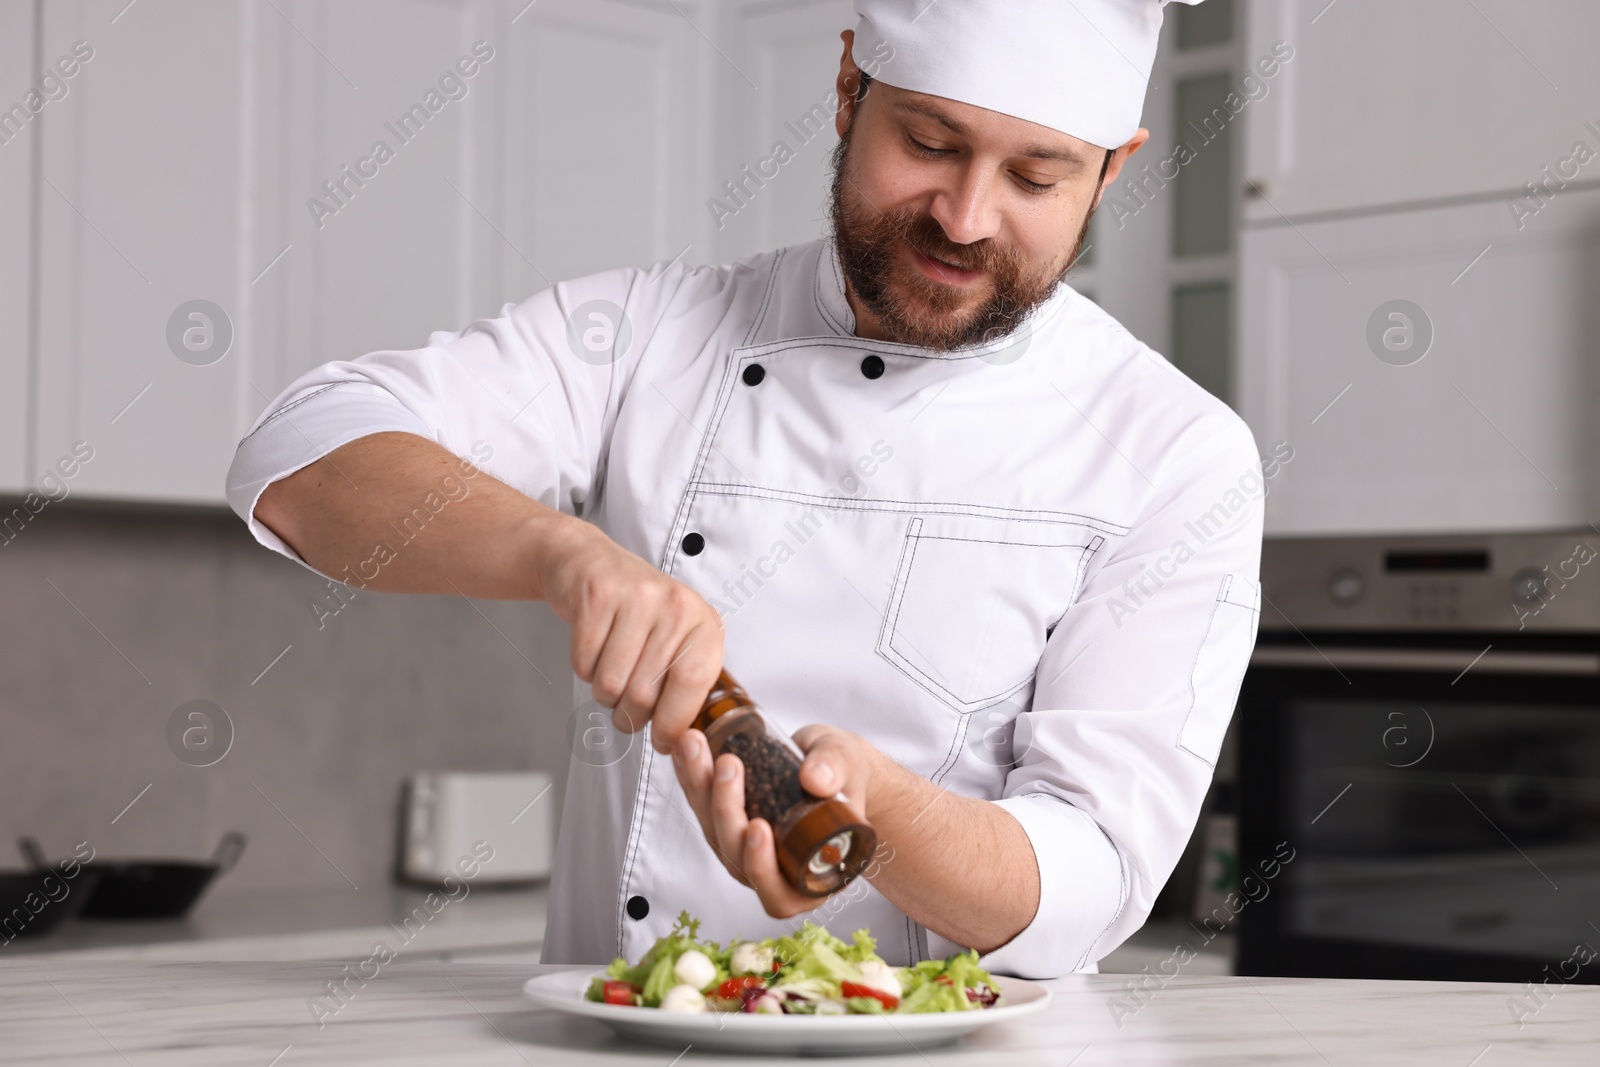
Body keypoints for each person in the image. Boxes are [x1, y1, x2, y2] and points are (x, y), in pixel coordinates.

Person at [227, 0, 1261, 978]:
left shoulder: (1172, 452)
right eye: (930, 144)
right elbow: (301, 454)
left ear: (1112, 170)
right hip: (623, 1033)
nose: (964, 215)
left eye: (1036, 179)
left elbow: (1095, 875)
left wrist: (875, 812)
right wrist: (562, 552)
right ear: (850, 86)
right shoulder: (648, 336)